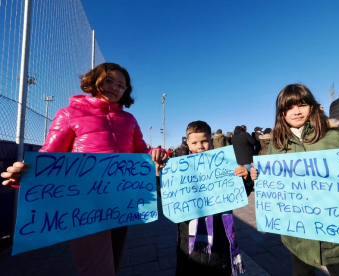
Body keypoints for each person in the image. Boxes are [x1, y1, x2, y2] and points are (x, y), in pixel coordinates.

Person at [1, 63, 166, 276]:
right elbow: (48, 156)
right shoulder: (69, 114)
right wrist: (24, 174)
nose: (115, 88)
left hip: (120, 203)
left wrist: (157, 154)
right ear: (94, 80)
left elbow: (142, 153)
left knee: (113, 266)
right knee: (98, 270)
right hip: (83, 208)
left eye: (121, 85)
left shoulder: (129, 120)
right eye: (109, 81)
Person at [267, 84, 339, 276]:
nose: (296, 111)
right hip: (299, 232)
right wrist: (257, 176)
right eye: (289, 107)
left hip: (338, 232)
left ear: (312, 106)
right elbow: (273, 182)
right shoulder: (277, 143)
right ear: (281, 113)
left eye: (301, 105)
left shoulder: (333, 137)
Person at [156, 121, 256, 276]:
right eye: (194, 142)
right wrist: (159, 176)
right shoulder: (178, 169)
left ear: (211, 142)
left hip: (219, 244)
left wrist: (246, 178)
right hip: (188, 246)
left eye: (204, 141)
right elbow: (166, 195)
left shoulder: (224, 165)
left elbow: (238, 193)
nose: (200, 146)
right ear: (188, 144)